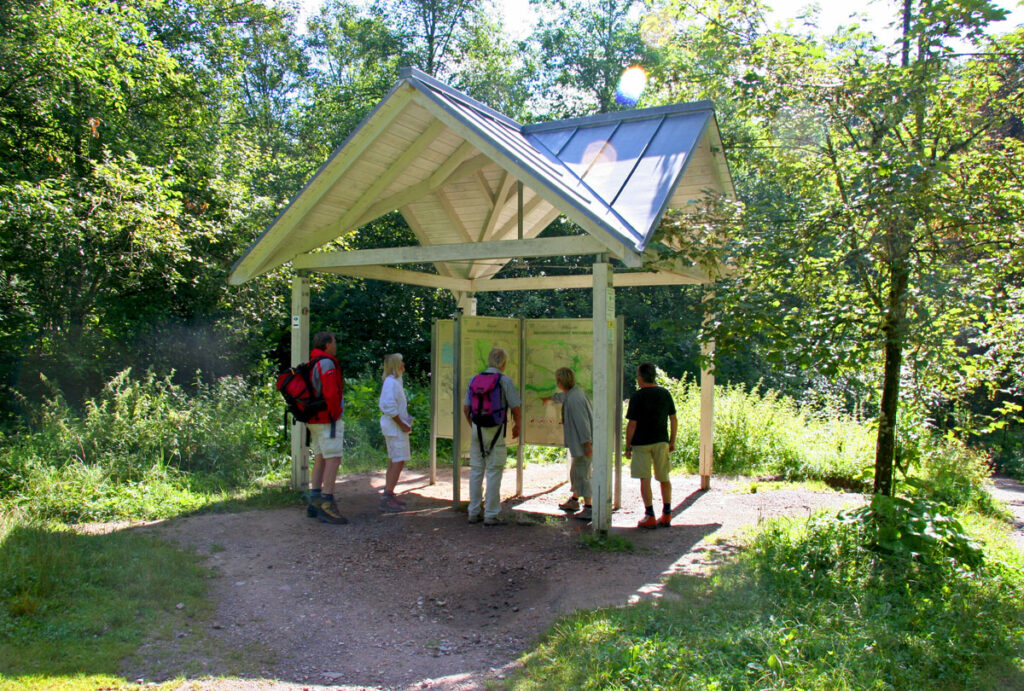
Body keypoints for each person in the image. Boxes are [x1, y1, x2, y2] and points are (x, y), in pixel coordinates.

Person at [463, 347, 522, 526]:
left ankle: (473, 512)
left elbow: (466, 409)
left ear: (489, 361)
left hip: (477, 430)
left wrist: (473, 426)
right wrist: (517, 425)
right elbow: (516, 407)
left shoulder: (474, 379)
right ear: (503, 363)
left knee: (476, 470)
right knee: (494, 471)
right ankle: (491, 514)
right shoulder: (505, 381)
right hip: (496, 430)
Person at [624, 362, 677, 529]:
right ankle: (667, 513)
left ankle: (650, 515)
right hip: (661, 440)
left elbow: (632, 424)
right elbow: (673, 419)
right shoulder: (664, 393)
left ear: (640, 377)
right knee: (664, 477)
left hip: (641, 443)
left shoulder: (637, 396)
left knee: (644, 478)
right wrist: (672, 440)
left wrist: (628, 446)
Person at [305, 331, 348, 524]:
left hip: (313, 419)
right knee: (334, 459)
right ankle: (327, 502)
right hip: (326, 419)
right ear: (327, 344)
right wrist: (335, 414)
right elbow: (330, 392)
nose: (336, 345)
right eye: (334, 341)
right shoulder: (327, 363)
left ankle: (315, 500)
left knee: (321, 457)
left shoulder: (312, 362)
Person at [547, 367, 594, 521]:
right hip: (581, 444)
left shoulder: (574, 399)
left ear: (560, 382)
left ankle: (589, 507)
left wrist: (587, 444)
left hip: (583, 444)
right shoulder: (574, 394)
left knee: (582, 474)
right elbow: (562, 397)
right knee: (577, 472)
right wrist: (549, 399)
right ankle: (574, 501)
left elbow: (583, 423)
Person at [378, 353, 412, 513]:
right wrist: (402, 424)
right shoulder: (391, 382)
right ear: (396, 365)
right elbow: (388, 406)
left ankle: (389, 492)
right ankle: (387, 495)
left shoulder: (394, 381)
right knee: (398, 460)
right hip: (394, 427)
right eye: (401, 362)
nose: (403, 364)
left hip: (395, 426)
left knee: (395, 459)